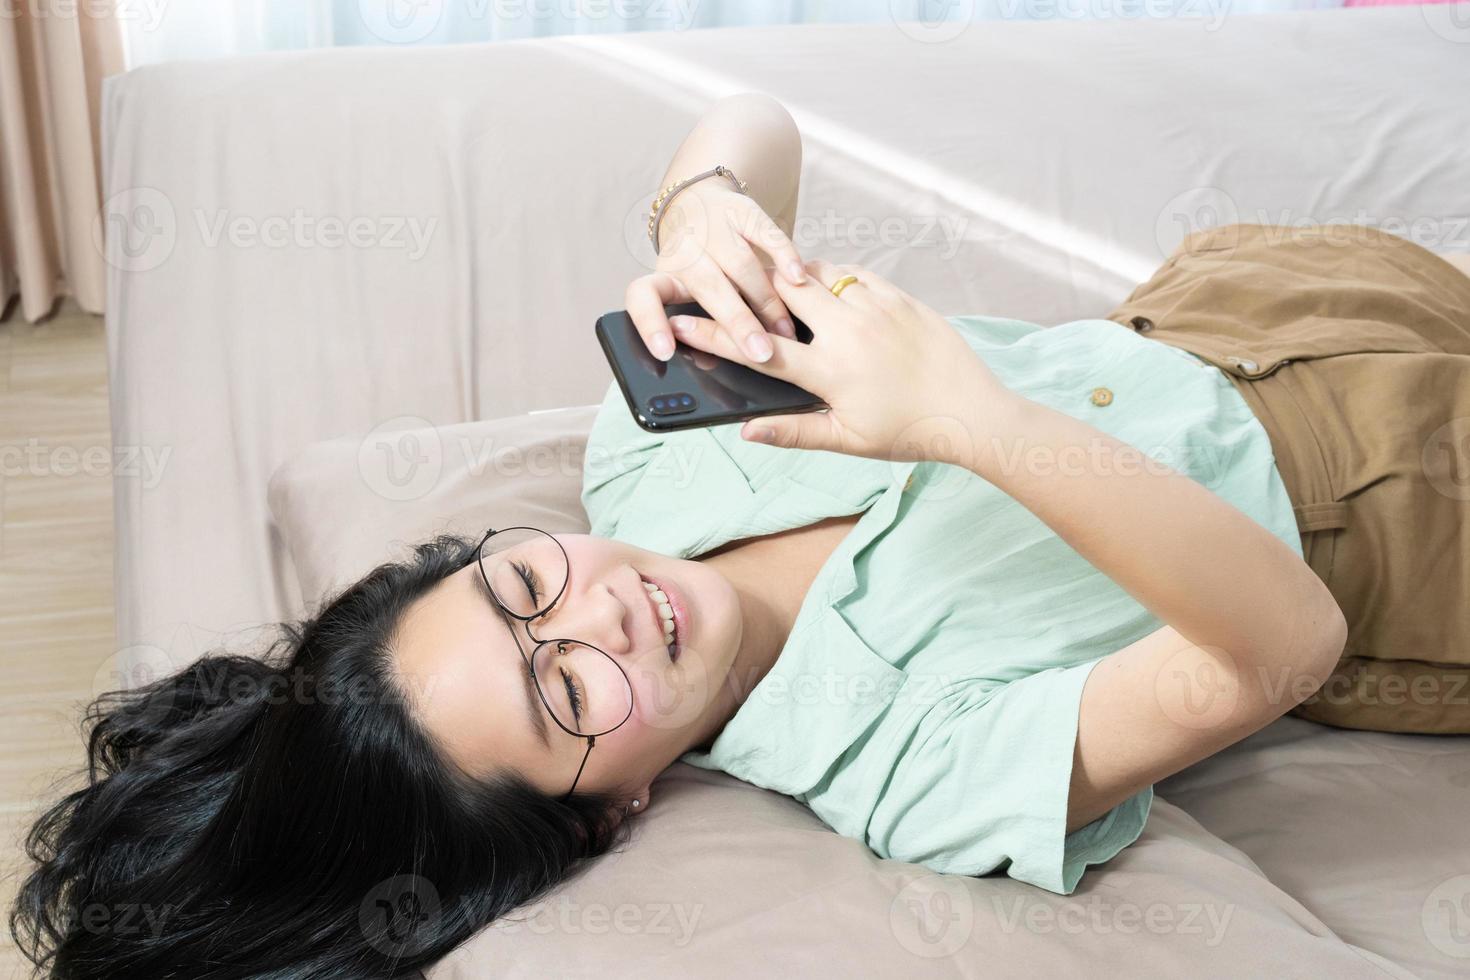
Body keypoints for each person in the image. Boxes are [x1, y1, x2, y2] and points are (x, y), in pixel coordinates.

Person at [12, 94, 1467, 979]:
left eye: (523, 584)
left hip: (1250, 305)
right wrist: (965, 422)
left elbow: (755, 126)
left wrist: (700, 207)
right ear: (612, 813)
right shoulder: (899, 773)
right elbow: (1284, 644)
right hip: (1402, 534)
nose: (598, 614)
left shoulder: (652, 464)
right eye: (565, 692)